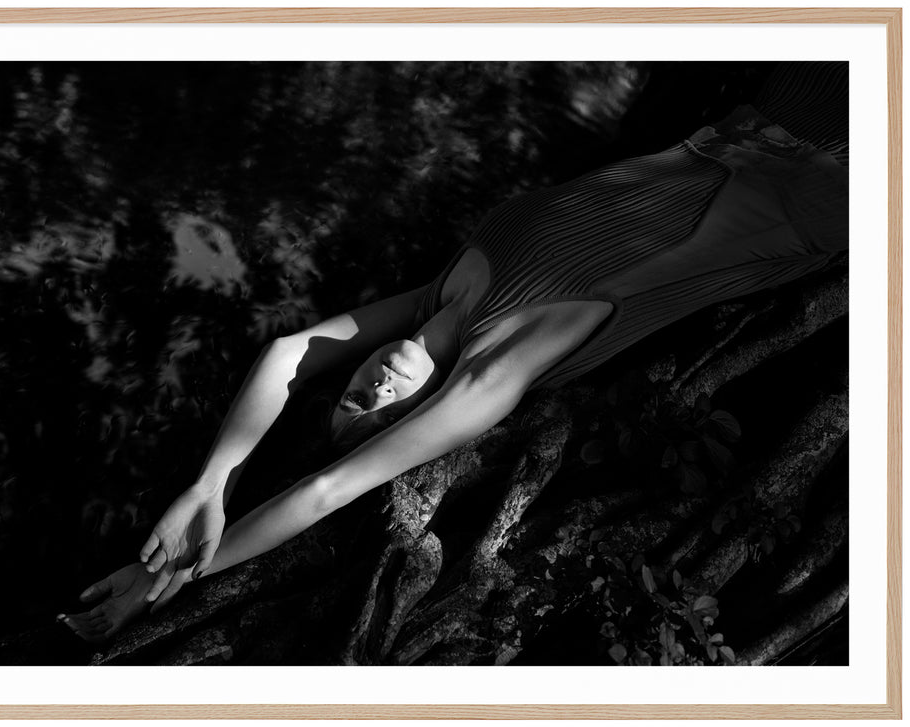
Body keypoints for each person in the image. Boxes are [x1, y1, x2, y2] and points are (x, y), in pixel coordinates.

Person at [59, 63, 848, 643]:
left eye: (349, 395)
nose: (365, 389)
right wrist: (168, 575)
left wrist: (207, 484)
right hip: (817, 184)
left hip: (753, 124)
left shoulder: (434, 297)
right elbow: (326, 488)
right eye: (378, 414)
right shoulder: (495, 370)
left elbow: (288, 349)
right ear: (423, 417)